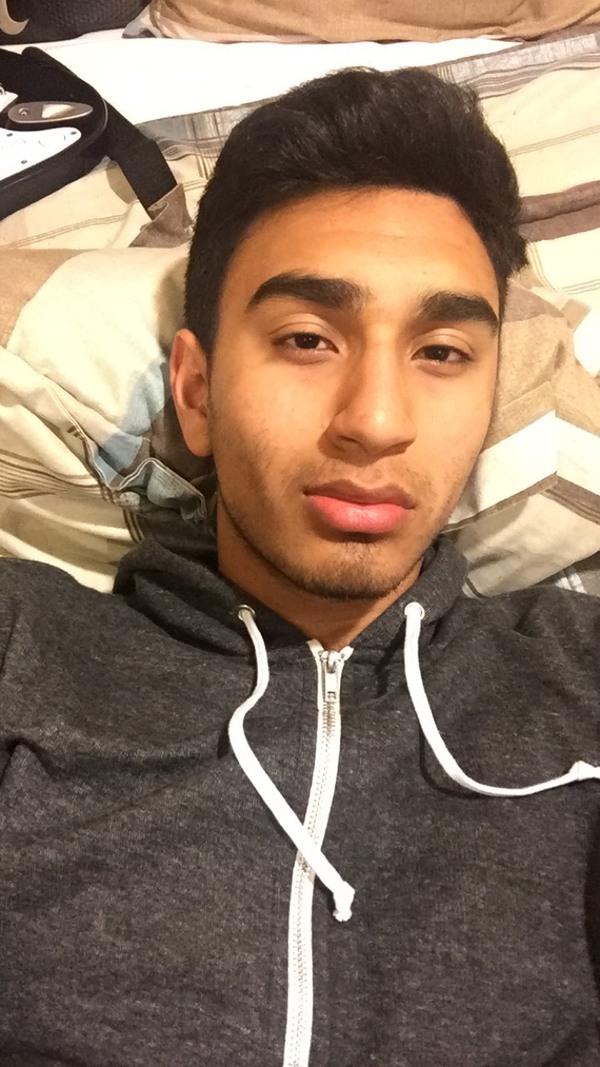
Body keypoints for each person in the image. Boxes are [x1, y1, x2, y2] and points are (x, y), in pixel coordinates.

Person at [1, 65, 600, 1067]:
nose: (376, 420)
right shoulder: (24, 652)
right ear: (196, 393)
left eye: (442, 352)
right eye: (308, 338)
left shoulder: (577, 680)